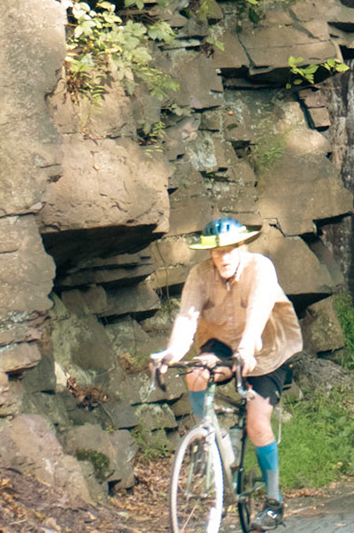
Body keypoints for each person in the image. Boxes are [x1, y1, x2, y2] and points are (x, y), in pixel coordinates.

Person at [151, 217, 302, 530]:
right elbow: (187, 317)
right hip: (220, 342)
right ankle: (209, 441)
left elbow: (259, 311)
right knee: (195, 373)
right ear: (209, 254)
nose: (224, 257)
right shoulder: (199, 275)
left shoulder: (260, 268)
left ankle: (274, 502)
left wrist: (246, 350)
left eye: (230, 249)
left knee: (258, 422)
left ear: (241, 246)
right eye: (217, 252)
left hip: (265, 350)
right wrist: (171, 353)